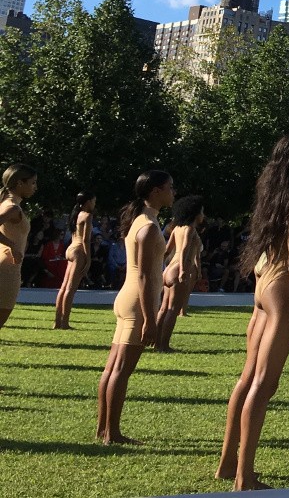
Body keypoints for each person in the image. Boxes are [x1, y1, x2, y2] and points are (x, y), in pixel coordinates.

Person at [216, 131, 289, 491]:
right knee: (263, 385)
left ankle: (228, 465)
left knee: (247, 380)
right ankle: (245, 476)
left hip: (264, 289)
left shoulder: (273, 194)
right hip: (282, 293)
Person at [96, 170, 175, 444]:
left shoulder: (146, 220)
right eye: (169, 188)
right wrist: (151, 320)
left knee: (112, 367)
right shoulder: (148, 226)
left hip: (129, 299)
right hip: (136, 302)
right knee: (121, 370)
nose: (172, 193)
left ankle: (104, 428)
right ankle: (112, 433)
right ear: (155, 191)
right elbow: (143, 274)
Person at [155, 195, 206, 351]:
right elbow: (184, 250)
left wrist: (158, 267)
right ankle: (164, 345)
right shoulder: (190, 229)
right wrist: (184, 271)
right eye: (202, 212)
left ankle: (156, 342)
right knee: (173, 309)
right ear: (195, 213)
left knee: (164, 308)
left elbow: (167, 250)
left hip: (170, 268)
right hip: (179, 269)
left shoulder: (177, 228)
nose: (203, 215)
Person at [0, 164, 37, 330]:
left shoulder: (9, 203)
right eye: (33, 182)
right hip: (7, 268)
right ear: (20, 183)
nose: (35, 187)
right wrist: (13, 246)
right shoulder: (12, 207)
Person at [54, 191, 95, 330]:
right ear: (88, 202)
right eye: (93, 201)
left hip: (70, 248)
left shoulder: (75, 214)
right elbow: (86, 240)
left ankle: (57, 321)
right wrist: (88, 259)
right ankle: (65, 322)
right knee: (71, 289)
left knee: (64, 287)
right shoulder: (88, 215)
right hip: (79, 251)